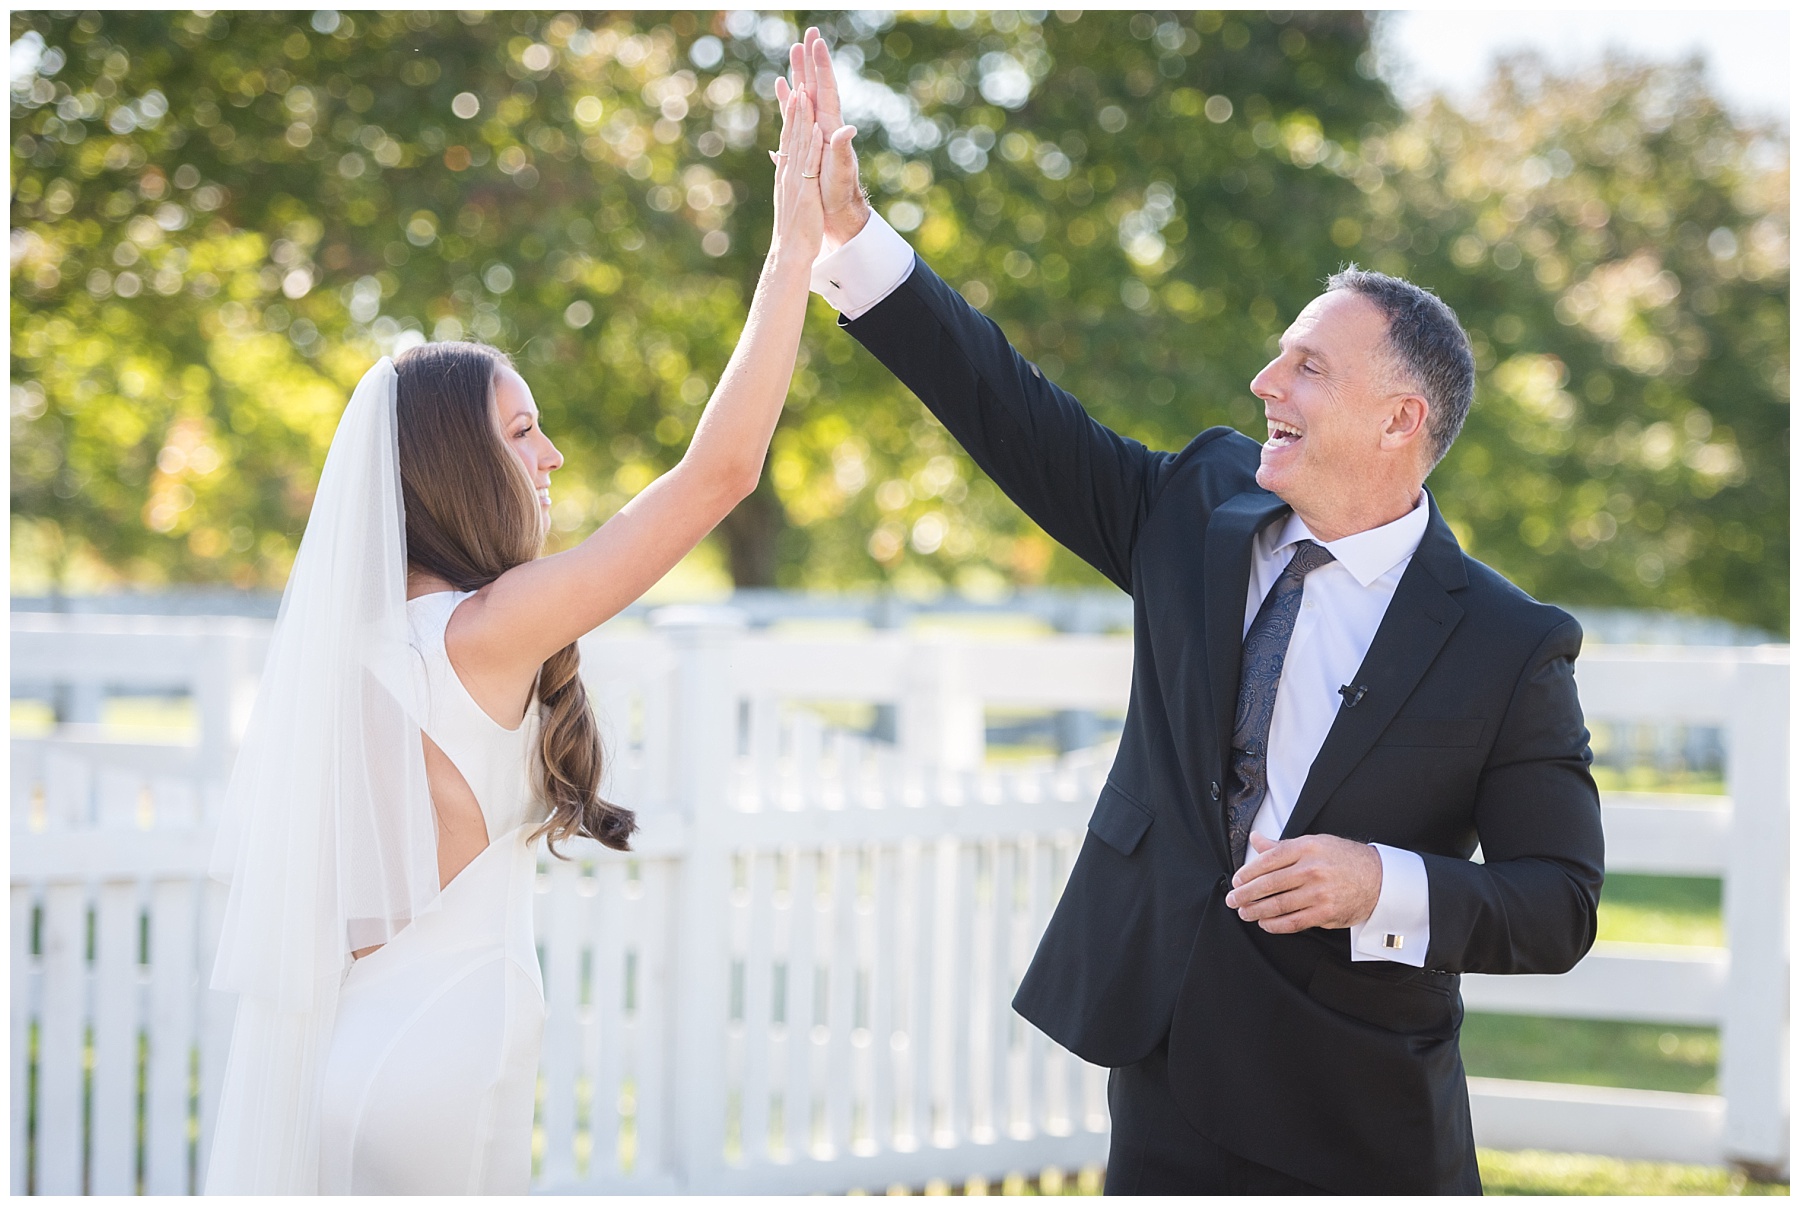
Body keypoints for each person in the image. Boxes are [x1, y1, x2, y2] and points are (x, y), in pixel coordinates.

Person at [785, 29, 1604, 1195]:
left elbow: (1557, 903)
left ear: (1399, 422)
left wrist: (1381, 883)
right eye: (1278, 361)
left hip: (1359, 1111)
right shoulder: (1194, 509)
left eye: (1308, 367)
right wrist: (853, 243)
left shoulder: (1511, 647)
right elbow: (1008, 407)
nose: (1266, 385)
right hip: (1162, 1059)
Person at [203, 83, 833, 1194]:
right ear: (455, 463)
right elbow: (718, 475)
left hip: (360, 1056)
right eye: (524, 431)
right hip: (434, 1066)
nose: (551, 459)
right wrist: (793, 252)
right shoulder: (480, 636)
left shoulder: (360, 648)